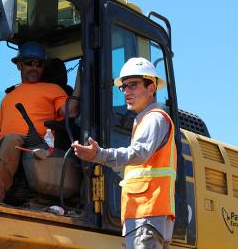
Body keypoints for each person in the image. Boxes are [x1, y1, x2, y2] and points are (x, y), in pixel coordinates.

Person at [71, 57, 176, 249]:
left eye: (133, 85)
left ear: (151, 87)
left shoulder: (154, 119)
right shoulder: (144, 121)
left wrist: (99, 155)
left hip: (147, 213)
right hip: (143, 214)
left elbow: (138, 154)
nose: (126, 91)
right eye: (124, 87)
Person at [0, 41, 79, 202]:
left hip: (35, 143)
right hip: (3, 141)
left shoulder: (53, 89)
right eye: (29, 63)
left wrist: (81, 80)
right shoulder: (10, 95)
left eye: (39, 64)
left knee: (12, 140)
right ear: (19, 65)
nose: (34, 68)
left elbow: (71, 111)